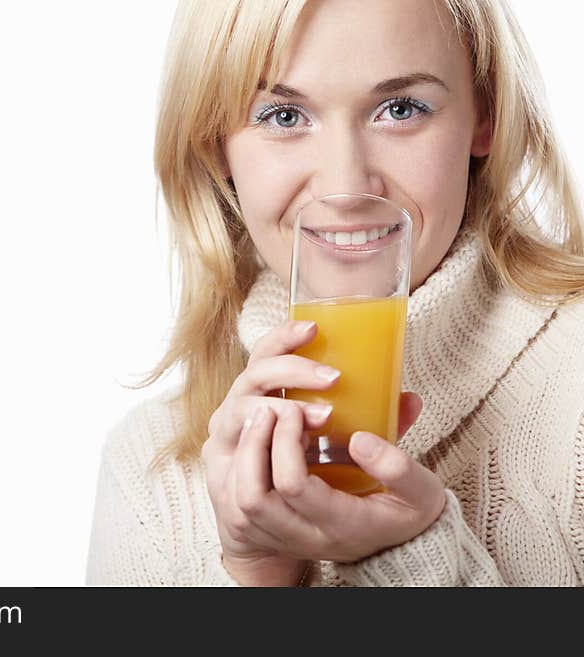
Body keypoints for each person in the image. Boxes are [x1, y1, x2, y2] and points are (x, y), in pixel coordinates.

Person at [85, 0, 584, 586]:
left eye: (400, 109)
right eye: (283, 117)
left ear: (486, 117)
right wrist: (258, 576)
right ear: (215, 143)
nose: (346, 187)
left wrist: (407, 558)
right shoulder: (150, 471)